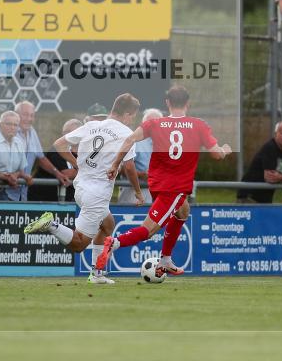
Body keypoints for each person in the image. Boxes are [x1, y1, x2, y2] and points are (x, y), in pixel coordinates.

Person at [98, 86, 230, 276]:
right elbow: (216, 154)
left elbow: (129, 140)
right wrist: (225, 150)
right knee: (148, 230)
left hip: (157, 183)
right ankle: (115, 243)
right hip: (174, 187)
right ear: (188, 103)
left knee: (183, 211)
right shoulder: (198, 125)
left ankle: (166, 259)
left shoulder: (154, 123)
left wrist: (115, 164)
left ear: (167, 103)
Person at [24, 94, 143, 285]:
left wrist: (77, 163)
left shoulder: (92, 125)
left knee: (108, 224)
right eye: (133, 116)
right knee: (79, 244)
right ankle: (51, 225)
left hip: (80, 187)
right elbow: (129, 167)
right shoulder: (126, 134)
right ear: (128, 114)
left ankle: (97, 274)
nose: (132, 120)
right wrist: (138, 192)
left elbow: (59, 145)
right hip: (97, 194)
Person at [15, 101, 67, 201]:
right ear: (16, 115)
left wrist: (57, 173)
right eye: (25, 114)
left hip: (23, 193)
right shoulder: (9, 131)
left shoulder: (32, 131)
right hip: (5, 191)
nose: (29, 119)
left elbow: (41, 158)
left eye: (32, 115)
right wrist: (22, 175)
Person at [237, 121, 282, 204]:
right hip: (249, 196)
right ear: (276, 134)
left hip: (266, 198)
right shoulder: (269, 148)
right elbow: (269, 179)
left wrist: (280, 177)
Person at [30, 118, 82, 202]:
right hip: (43, 200)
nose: (65, 135)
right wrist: (88, 169)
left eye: (69, 132)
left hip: (66, 200)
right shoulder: (56, 150)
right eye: (64, 132)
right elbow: (65, 174)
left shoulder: (82, 152)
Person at [117, 108, 162, 205]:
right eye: (149, 123)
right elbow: (121, 168)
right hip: (133, 193)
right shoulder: (134, 141)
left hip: (157, 193)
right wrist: (142, 175)